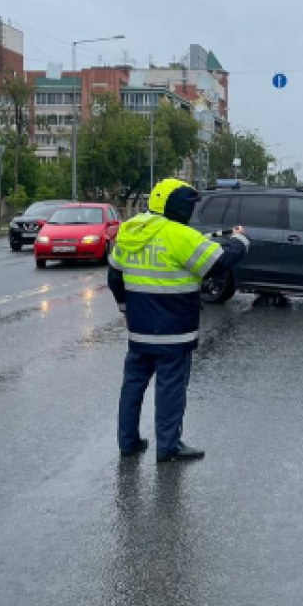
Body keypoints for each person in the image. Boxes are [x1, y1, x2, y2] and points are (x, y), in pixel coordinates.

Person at [108, 179, 248, 462]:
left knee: (133, 386)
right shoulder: (179, 235)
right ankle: (168, 447)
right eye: (189, 206)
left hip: (139, 331)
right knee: (170, 389)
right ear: (178, 207)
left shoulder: (130, 230)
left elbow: (114, 278)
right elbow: (218, 262)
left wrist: (125, 309)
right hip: (174, 332)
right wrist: (240, 241)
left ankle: (128, 442)